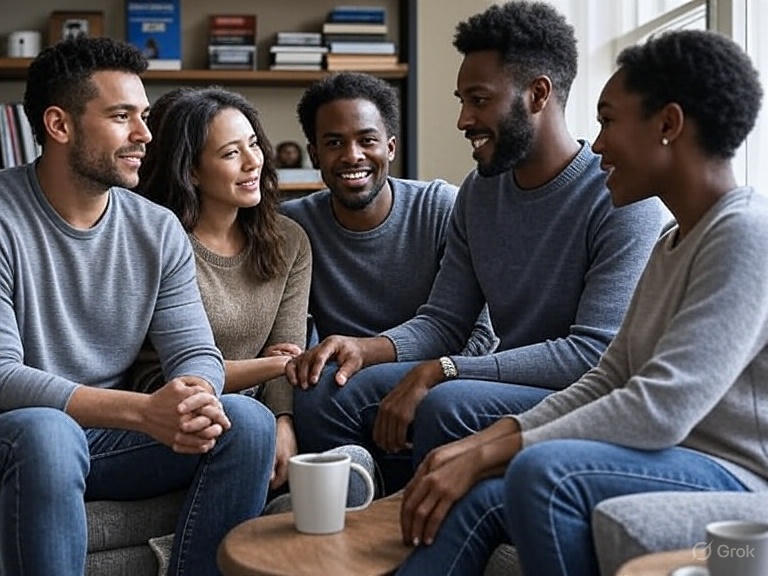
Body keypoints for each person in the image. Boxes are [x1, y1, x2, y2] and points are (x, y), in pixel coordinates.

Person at [396, 27, 765, 576]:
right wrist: (485, 443)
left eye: (609, 121)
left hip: (735, 475)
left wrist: (491, 450)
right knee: (472, 495)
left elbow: (660, 409)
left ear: (668, 125)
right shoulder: (672, 243)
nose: (596, 144)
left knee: (544, 473)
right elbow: (606, 376)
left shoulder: (744, 235)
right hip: (669, 460)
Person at [287, 1, 666, 492]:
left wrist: (444, 371)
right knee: (325, 392)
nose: (464, 119)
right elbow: (445, 321)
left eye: (479, 100)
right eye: (461, 100)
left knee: (445, 402)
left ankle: (409, 525)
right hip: (505, 382)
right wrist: (364, 348)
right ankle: (369, 509)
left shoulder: (621, 196)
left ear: (537, 94)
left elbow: (592, 353)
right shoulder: (478, 193)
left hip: (586, 393)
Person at [0, 37, 275, 576]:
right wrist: (145, 413)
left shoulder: (156, 227)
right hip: (23, 435)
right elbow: (4, 378)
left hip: (107, 440)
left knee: (248, 421)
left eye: (144, 116)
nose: (145, 135)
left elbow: (196, 349)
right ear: (60, 126)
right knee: (47, 433)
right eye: (122, 116)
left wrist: (194, 396)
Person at [281, 72, 497, 490]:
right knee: (316, 391)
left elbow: (482, 335)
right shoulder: (293, 227)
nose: (352, 155)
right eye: (333, 143)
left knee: (327, 396)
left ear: (391, 148)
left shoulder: (440, 207)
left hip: (440, 373)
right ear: (313, 153)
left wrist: (421, 377)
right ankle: (359, 500)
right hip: (343, 386)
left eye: (367, 140)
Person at [136, 87, 311, 491]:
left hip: (254, 415)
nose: (253, 163)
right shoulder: (160, 240)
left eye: (253, 144)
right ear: (192, 171)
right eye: (231, 154)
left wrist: (283, 421)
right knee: (246, 422)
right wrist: (274, 365)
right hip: (177, 413)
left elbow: (291, 349)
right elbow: (168, 378)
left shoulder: (289, 241)